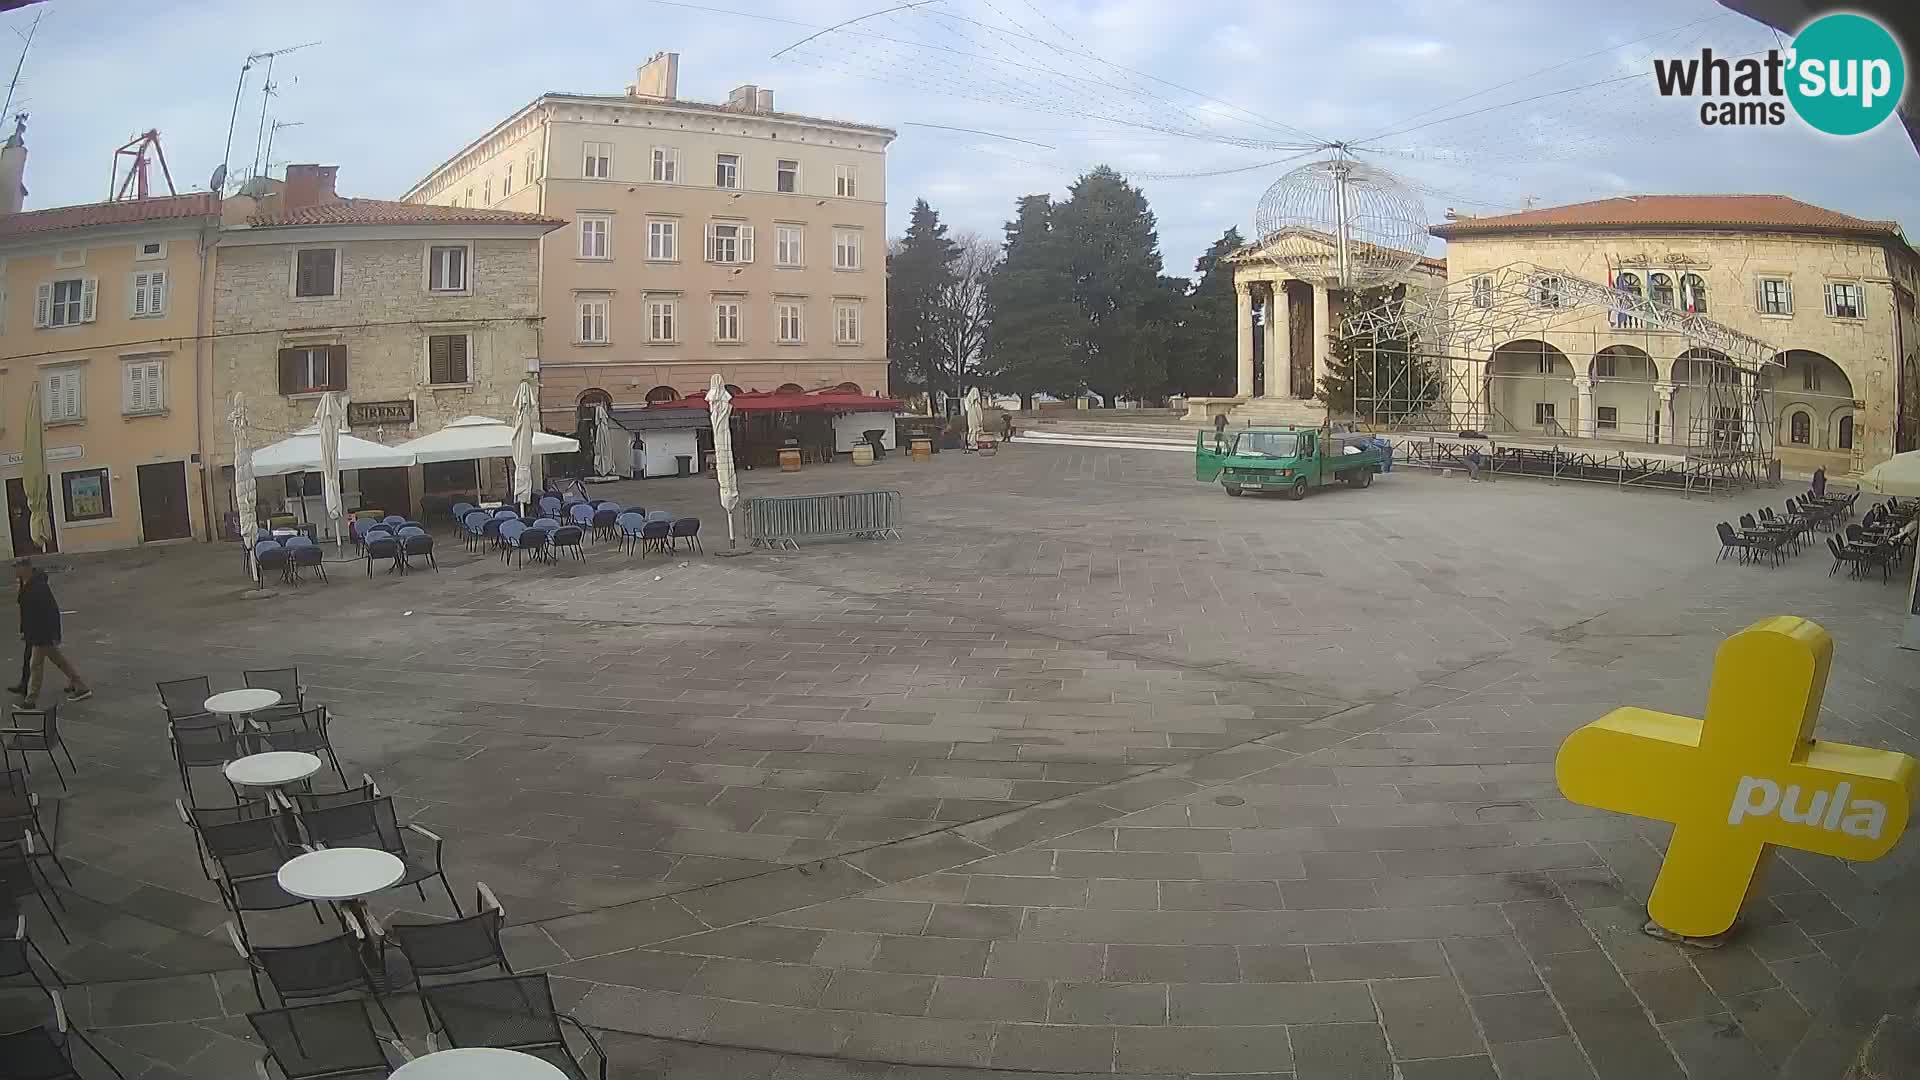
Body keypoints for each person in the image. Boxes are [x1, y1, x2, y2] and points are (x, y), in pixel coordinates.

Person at [15, 558, 89, 706]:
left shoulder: (38, 586)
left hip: (42, 633)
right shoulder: (26, 584)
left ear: (27, 568)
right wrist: (24, 630)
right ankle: (81, 686)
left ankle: (31, 700)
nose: (16, 571)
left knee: (35, 665)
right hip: (37, 632)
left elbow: (50, 610)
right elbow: (25, 610)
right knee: (58, 661)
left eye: (18, 568)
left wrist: (54, 633)